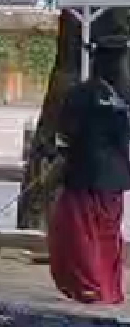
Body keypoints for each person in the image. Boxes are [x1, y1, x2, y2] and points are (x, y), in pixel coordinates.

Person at [48, 38, 130, 305]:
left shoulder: (80, 93)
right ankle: (107, 288)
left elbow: (65, 132)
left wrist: (61, 156)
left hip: (84, 175)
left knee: (79, 236)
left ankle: (89, 286)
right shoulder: (124, 97)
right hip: (113, 178)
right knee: (107, 235)